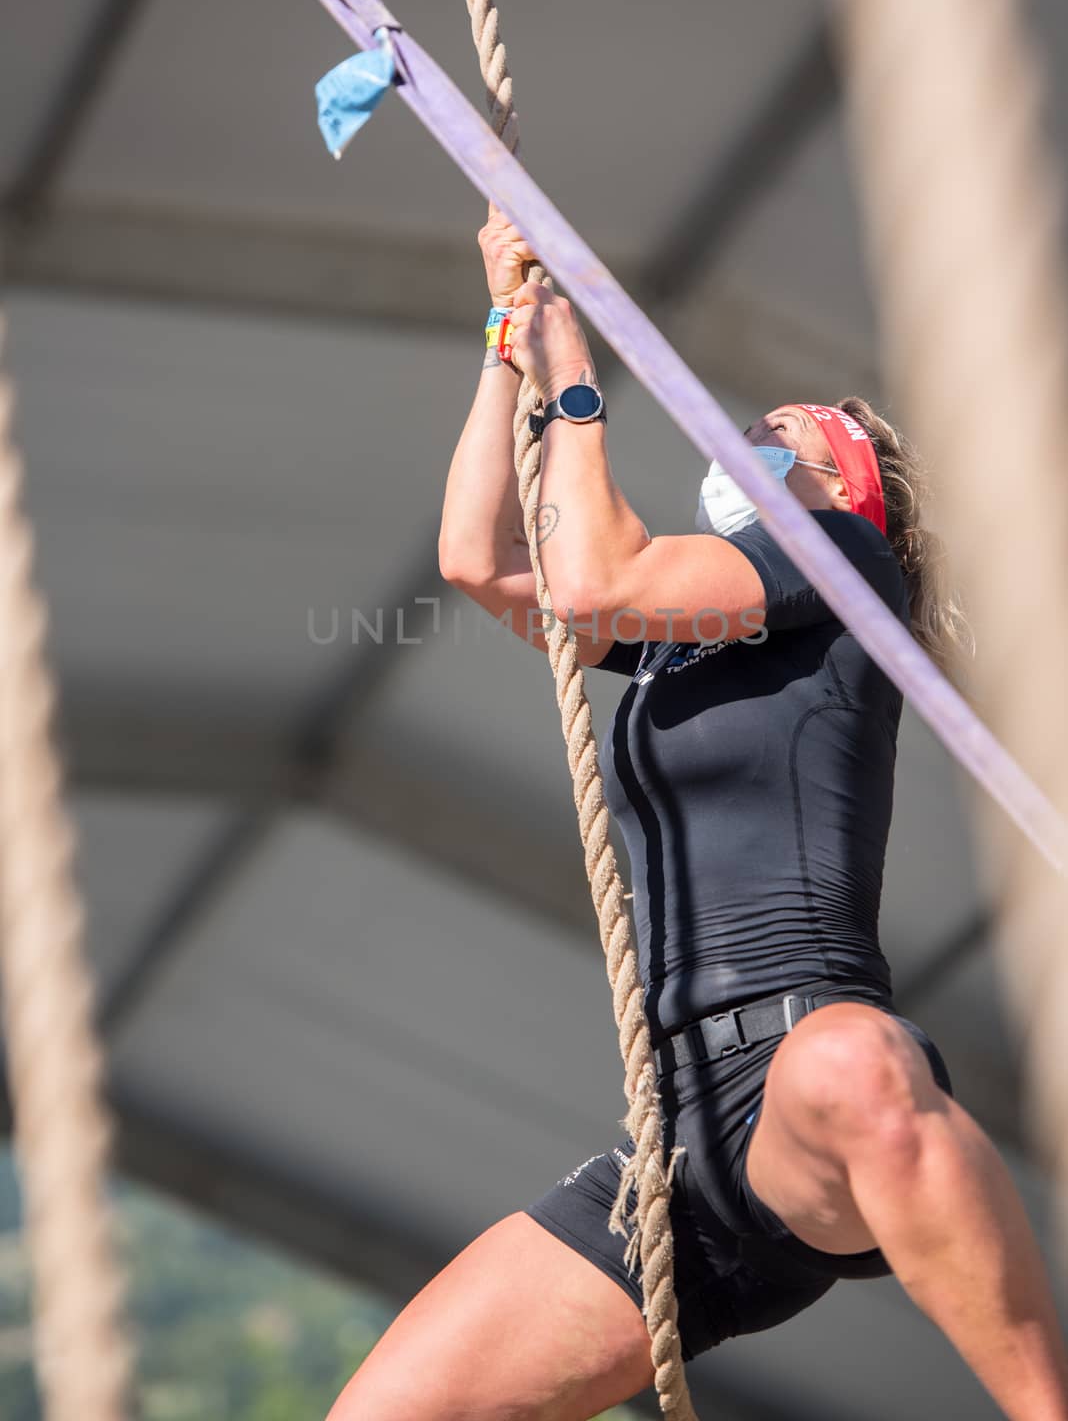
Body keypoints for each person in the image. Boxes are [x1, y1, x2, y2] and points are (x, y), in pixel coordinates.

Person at [327, 210, 1068, 1421]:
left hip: (798, 1080)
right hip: (679, 1147)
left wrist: (576, 379)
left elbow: (595, 575)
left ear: (846, 492)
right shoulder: (689, 650)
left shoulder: (842, 565)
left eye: (775, 440)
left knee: (857, 1071)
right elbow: (479, 554)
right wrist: (507, 341)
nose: (740, 448)